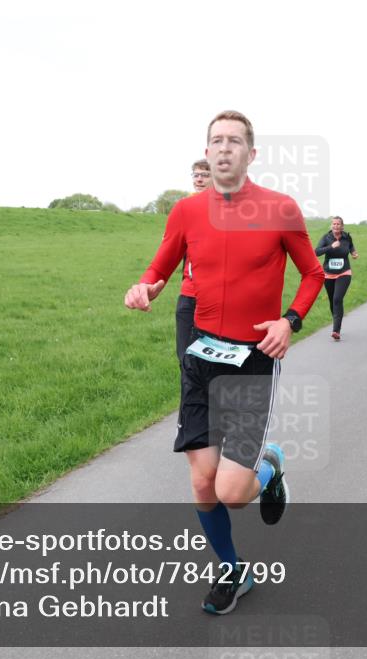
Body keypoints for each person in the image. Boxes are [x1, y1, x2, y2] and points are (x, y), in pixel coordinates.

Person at [124, 110, 324, 615]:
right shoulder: (187, 211)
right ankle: (234, 569)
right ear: (207, 152)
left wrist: (290, 321)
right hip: (201, 357)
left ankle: (271, 465)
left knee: (233, 493)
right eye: (216, 140)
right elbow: (162, 264)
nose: (224, 148)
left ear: (251, 154)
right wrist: (146, 286)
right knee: (200, 480)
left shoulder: (280, 209)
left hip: (254, 358)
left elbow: (312, 274)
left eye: (235, 141)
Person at [175, 160, 214, 362]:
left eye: (205, 175)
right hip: (188, 293)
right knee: (184, 355)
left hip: (214, 295)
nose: (199, 179)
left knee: (208, 358)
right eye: (196, 175)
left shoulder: (223, 209)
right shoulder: (183, 207)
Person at [314, 216, 358, 340]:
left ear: (342, 226)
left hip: (344, 273)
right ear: (331, 226)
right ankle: (336, 320)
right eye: (334, 224)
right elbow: (316, 252)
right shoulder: (326, 238)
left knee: (337, 299)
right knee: (332, 301)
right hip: (328, 274)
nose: (336, 226)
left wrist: (354, 253)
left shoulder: (346, 237)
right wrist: (331, 247)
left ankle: (336, 330)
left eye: (338, 224)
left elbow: (351, 247)